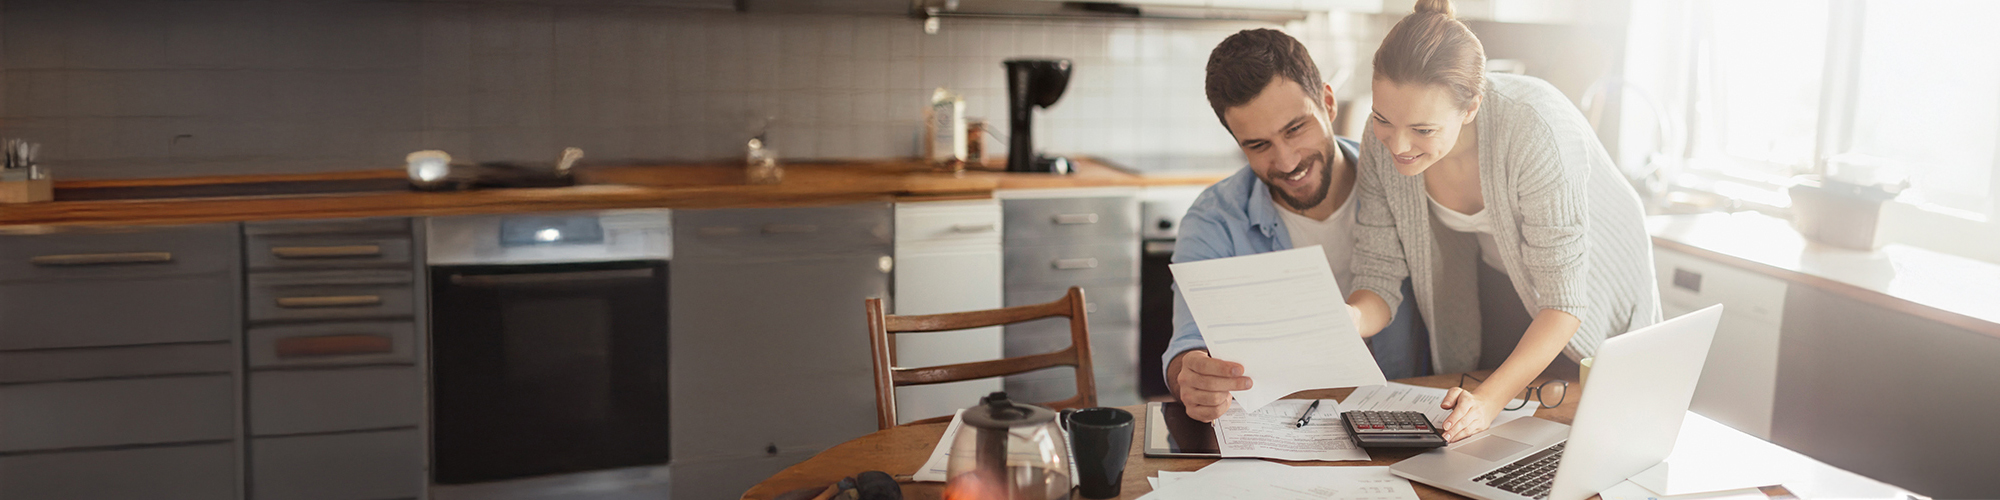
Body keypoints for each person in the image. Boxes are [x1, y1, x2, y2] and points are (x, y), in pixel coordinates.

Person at [1344, 0, 1661, 442]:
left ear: (1471, 106)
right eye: (1382, 119)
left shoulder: (1535, 130)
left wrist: (1489, 401)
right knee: (1495, 427)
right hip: (1500, 269)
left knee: (1584, 420)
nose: (1397, 145)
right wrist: (1347, 319)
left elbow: (1564, 303)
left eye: (1423, 129)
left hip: (1591, 279)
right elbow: (1378, 276)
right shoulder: (1383, 142)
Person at [1162, 29, 1428, 423]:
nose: (1286, 161)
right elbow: (1187, 347)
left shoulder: (1404, 182)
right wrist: (1193, 377)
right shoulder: (1214, 219)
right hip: (1281, 430)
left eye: (1295, 129)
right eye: (1258, 145)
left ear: (1328, 102)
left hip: (1410, 420)